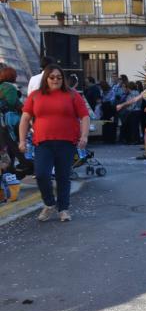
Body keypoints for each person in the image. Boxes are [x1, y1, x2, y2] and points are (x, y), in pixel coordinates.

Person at [18, 64, 90, 222]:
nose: (55, 80)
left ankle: (63, 209)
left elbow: (84, 116)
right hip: (43, 142)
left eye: (59, 77)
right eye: (52, 77)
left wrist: (84, 136)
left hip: (67, 142)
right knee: (42, 174)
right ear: (46, 79)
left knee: (63, 177)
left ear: (63, 79)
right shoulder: (36, 96)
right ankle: (49, 203)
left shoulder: (72, 95)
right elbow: (25, 118)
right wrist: (22, 140)